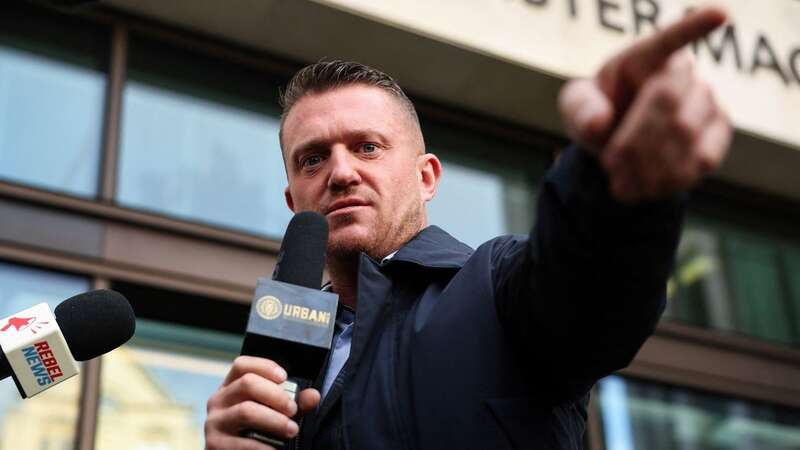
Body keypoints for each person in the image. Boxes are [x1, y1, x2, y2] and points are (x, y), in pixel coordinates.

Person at [204, 6, 732, 450]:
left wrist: (611, 191)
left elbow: (590, 287)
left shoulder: (498, 289)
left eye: (367, 147)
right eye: (313, 159)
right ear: (294, 200)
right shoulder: (281, 362)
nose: (342, 173)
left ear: (427, 176)